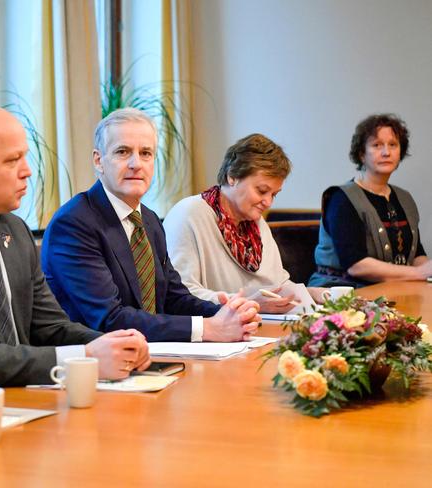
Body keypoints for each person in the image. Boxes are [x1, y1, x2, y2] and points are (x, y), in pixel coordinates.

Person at [0, 104, 150, 389]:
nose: (28, 172)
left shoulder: (15, 229)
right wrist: (85, 357)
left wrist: (114, 345)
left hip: (31, 400)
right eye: (12, 160)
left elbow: (50, 327)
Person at [41, 108, 261, 342]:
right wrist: (208, 328)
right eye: (123, 152)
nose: (136, 163)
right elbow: (109, 319)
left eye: (145, 153)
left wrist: (228, 315)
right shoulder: (74, 223)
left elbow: (173, 298)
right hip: (94, 364)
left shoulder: (149, 220)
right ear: (99, 160)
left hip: (150, 355)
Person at [163, 133, 324, 314]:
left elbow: (277, 284)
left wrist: (308, 293)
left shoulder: (257, 222)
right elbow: (180, 295)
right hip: (213, 329)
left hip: (254, 324)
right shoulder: (188, 214)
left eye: (274, 194)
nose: (268, 202)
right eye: (262, 191)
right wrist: (247, 303)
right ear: (232, 177)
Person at [308, 114, 431, 288]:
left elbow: (416, 254)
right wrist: (420, 273)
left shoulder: (405, 198)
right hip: (341, 291)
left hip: (392, 289)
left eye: (393, 145)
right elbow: (357, 266)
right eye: (377, 145)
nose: (386, 152)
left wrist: (428, 270)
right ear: (361, 154)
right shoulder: (341, 198)